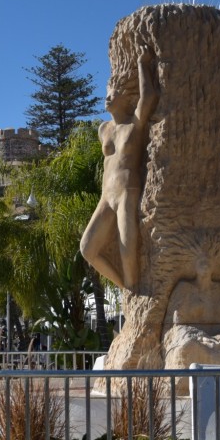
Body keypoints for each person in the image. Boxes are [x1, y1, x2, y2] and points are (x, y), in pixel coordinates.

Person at [80, 42, 158, 290]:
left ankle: (135, 289)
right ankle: (127, 287)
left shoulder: (134, 124)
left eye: (114, 93)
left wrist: (142, 64)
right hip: (107, 195)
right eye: (107, 92)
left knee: (128, 246)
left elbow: (150, 97)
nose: (108, 97)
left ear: (126, 99)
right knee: (87, 248)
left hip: (127, 191)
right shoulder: (104, 130)